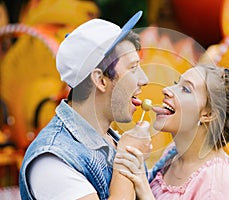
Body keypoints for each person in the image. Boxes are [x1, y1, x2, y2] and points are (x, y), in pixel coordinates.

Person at [19, 11, 151, 200]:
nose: (144, 79)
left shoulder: (114, 140)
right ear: (101, 80)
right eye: (133, 68)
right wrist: (126, 159)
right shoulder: (52, 160)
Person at [114, 64, 229, 199]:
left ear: (208, 115)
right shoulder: (172, 158)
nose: (167, 90)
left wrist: (145, 190)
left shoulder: (220, 180)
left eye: (186, 89)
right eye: (177, 83)